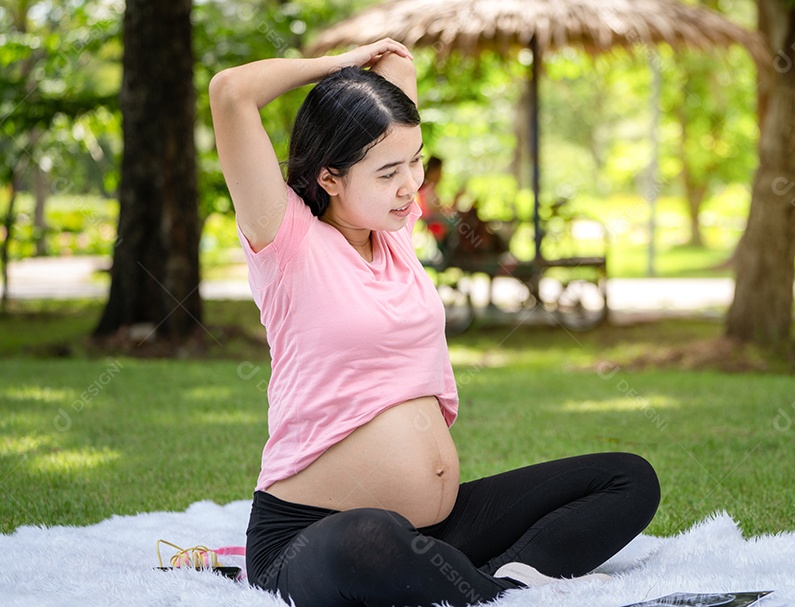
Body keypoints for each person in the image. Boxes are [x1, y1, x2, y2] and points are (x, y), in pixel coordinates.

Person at [208, 39, 660, 607]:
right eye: (389, 171)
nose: (411, 185)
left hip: (437, 529)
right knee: (372, 537)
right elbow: (231, 92)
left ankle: (497, 585)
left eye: (416, 160)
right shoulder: (287, 241)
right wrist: (335, 66)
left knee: (628, 480)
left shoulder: (396, 232)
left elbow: (398, 63)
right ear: (329, 178)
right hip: (311, 534)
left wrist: (371, 83)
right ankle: (491, 589)